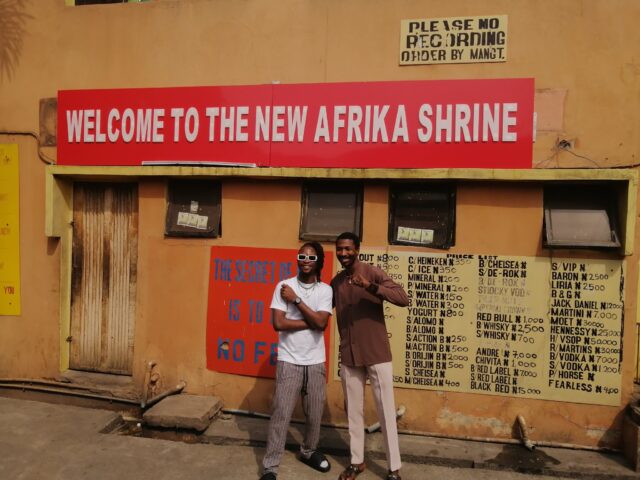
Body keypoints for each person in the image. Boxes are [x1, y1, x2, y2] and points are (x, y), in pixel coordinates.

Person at [331, 232, 409, 480]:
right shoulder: (336, 282)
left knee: (386, 412)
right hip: (350, 355)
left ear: (357, 249)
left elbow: (402, 298)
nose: (343, 253)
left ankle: (393, 468)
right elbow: (322, 308)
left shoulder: (373, 272)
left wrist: (371, 287)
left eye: (347, 249)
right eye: (339, 249)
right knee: (353, 411)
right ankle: (357, 462)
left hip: (377, 354)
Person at [260, 242, 333, 480]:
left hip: (315, 361)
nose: (305, 260)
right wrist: (312, 321)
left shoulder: (325, 291)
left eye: (311, 257)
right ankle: (270, 467)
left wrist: (297, 302)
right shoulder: (284, 286)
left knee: (314, 413)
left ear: (319, 261)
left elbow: (322, 323)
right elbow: (278, 324)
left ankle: (308, 451)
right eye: (301, 256)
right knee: (281, 413)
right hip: (289, 360)